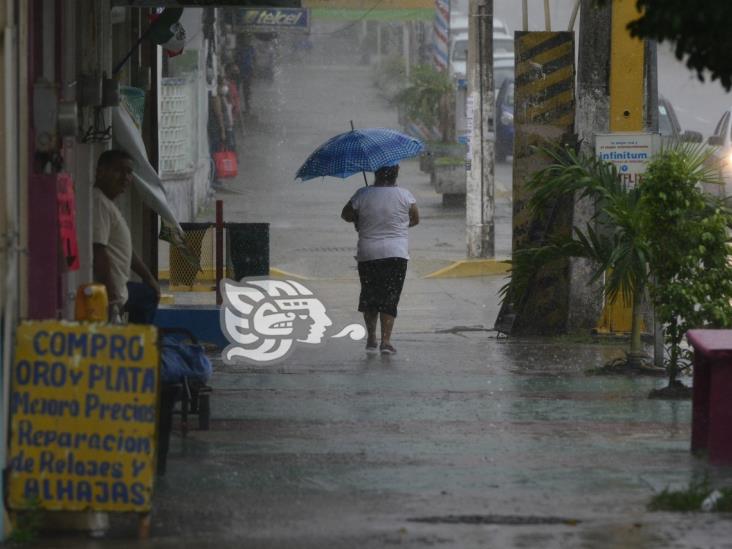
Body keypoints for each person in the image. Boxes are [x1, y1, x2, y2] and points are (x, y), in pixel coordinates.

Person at [341, 164, 419, 355]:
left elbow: (345, 214)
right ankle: (386, 341)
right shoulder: (405, 195)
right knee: (390, 297)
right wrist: (397, 225)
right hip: (396, 253)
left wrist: (359, 219)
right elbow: (415, 219)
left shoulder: (362, 194)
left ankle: (371, 338)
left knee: (370, 295)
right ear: (396, 174)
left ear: (375, 174)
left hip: (368, 253)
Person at [92, 149, 160, 324]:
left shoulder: (108, 204)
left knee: (149, 294)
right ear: (101, 171)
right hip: (112, 292)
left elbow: (127, 251)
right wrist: (113, 297)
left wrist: (149, 277)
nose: (125, 177)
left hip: (119, 289)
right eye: (118, 171)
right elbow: (98, 249)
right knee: (147, 297)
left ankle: (137, 342)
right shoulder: (98, 202)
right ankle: (139, 345)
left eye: (129, 172)